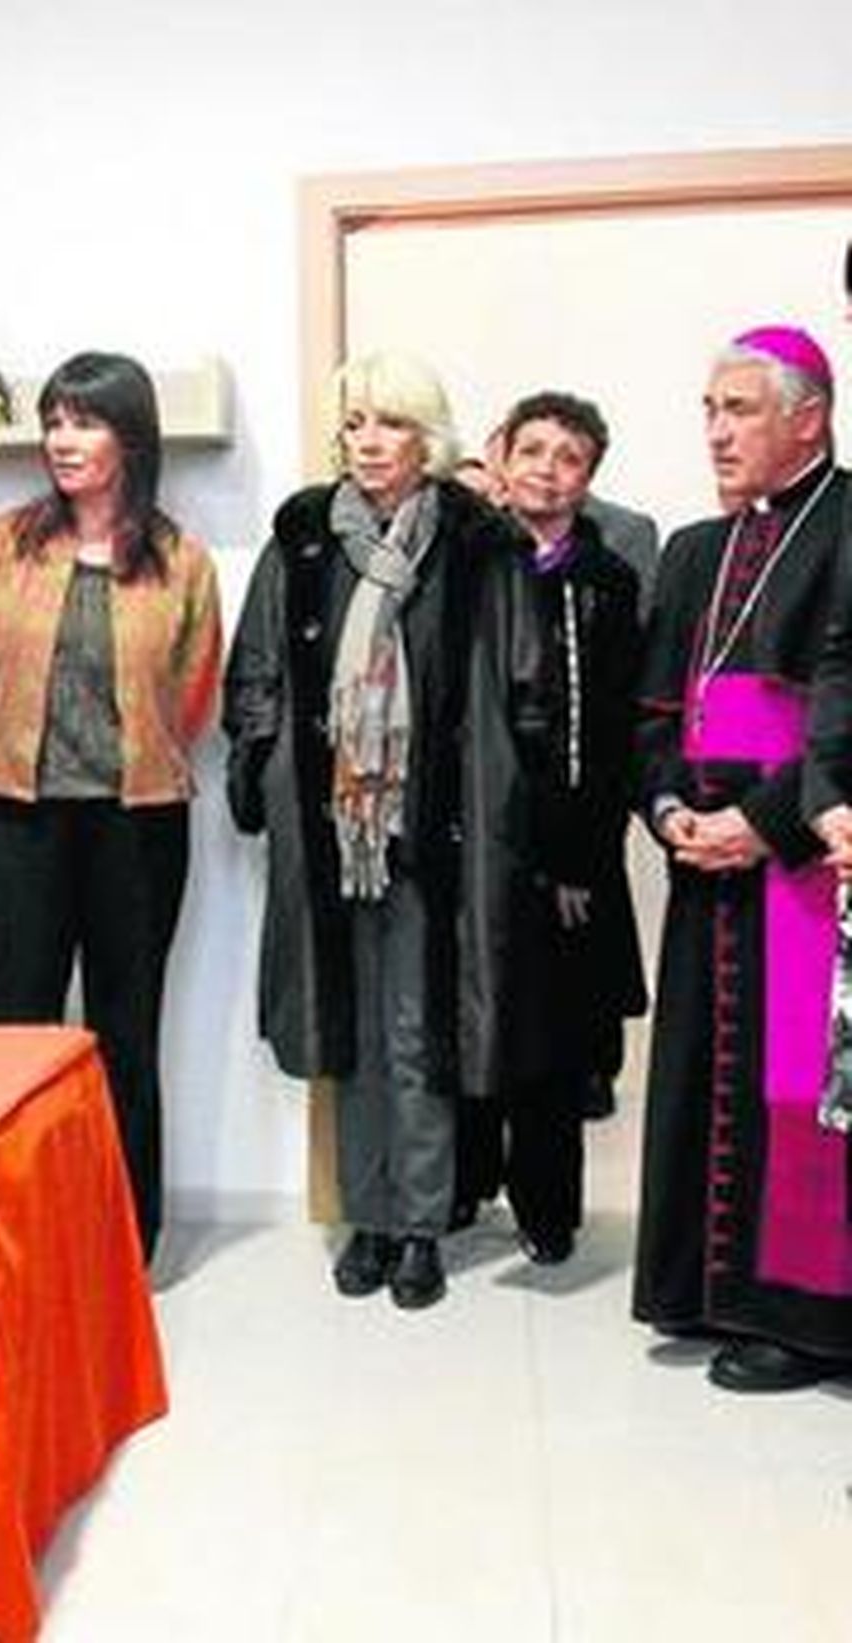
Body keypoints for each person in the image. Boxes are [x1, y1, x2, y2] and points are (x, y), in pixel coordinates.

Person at [223, 351, 550, 1309]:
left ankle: (420, 1224)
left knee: (420, 1028)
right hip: (331, 825)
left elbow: (516, 684)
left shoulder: (475, 541)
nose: (370, 440)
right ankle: (364, 1215)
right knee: (349, 1030)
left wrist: (511, 808)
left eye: (391, 422)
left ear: (429, 438)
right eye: (356, 420)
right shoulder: (303, 535)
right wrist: (260, 768)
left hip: (434, 828)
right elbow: (258, 671)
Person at [0, 351, 223, 1263]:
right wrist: (3, 753)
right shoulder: (1, 543)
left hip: (138, 824)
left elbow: (192, 690)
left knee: (123, 1031)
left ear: (130, 437)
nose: (63, 440)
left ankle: (126, 1239)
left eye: (84, 421)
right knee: (11, 1027)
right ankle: (7, 1235)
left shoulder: (180, 560)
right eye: (54, 421)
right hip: (19, 820)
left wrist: (136, 760)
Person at [632, 325, 852, 1392]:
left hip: (809, 863)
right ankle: (700, 1287)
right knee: (702, 1075)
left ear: (806, 415)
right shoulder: (689, 550)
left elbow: (842, 722)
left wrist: (763, 823)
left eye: (739, 409)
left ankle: (804, 1321)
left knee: (800, 1092)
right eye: (708, 410)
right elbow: (653, 715)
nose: (715, 431)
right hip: (705, 865)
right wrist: (670, 806)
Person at [455, 391, 647, 1261]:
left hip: (568, 831)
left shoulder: (607, 582)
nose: (545, 468)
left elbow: (610, 731)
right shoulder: (465, 560)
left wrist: (581, 856)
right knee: (472, 1011)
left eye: (567, 457)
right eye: (531, 449)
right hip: (476, 828)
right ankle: (462, 1186)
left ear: (588, 478)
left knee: (556, 1034)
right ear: (502, 458)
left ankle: (547, 1210)